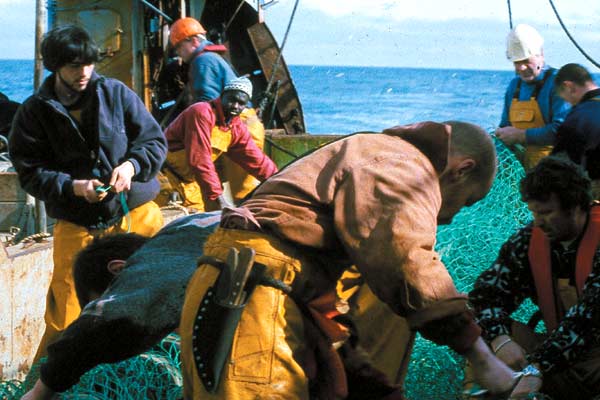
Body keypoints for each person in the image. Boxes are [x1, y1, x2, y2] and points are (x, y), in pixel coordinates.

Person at [179, 121, 517, 399]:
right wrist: (481, 357)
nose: (451, 218)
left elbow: (334, 334)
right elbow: (406, 262)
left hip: (249, 287)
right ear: (462, 170)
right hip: (253, 294)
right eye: (466, 202)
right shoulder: (401, 165)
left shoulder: (368, 156)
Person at [8, 24, 167, 364]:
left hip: (134, 213)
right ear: (55, 66)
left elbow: (154, 142)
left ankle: (153, 370)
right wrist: (73, 187)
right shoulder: (33, 112)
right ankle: (52, 381)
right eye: (74, 65)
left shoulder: (117, 93)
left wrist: (131, 167)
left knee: (154, 297)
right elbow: (30, 173)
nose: (84, 72)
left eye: (89, 63)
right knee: (65, 312)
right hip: (77, 223)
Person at [21, 211, 223, 400]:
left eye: (104, 300)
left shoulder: (149, 269)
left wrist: (39, 392)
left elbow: (102, 324)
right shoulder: (185, 228)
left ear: (119, 269)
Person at [469, 156, 600, 399]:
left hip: (589, 360)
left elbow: (586, 319)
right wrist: (501, 341)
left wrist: (537, 368)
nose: (539, 222)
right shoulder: (529, 241)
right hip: (557, 356)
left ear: (575, 207)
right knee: (476, 331)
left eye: (547, 212)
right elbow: (484, 297)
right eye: (534, 212)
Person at [169, 16, 268, 204]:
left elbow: (206, 102)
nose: (178, 53)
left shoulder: (202, 61)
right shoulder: (212, 58)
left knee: (244, 193)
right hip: (246, 122)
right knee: (244, 188)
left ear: (194, 41)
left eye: (179, 47)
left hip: (238, 124)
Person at [158, 76, 278, 211]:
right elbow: (199, 159)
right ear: (222, 96)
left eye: (241, 103)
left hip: (190, 183)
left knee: (196, 219)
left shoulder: (236, 127)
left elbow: (256, 159)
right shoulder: (201, 112)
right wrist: (219, 198)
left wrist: (279, 180)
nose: (235, 106)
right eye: (232, 100)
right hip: (163, 176)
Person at [495, 24, 570, 170]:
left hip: (556, 171)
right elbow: (505, 125)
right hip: (521, 171)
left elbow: (563, 131)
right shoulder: (514, 86)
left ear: (541, 54)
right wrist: (501, 134)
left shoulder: (558, 83)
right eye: (517, 62)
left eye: (526, 61)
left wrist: (521, 135)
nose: (521, 68)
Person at [552, 63, 600, 199]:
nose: (568, 103)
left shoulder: (577, 120)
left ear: (569, 87)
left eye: (565, 99)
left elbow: (559, 169)